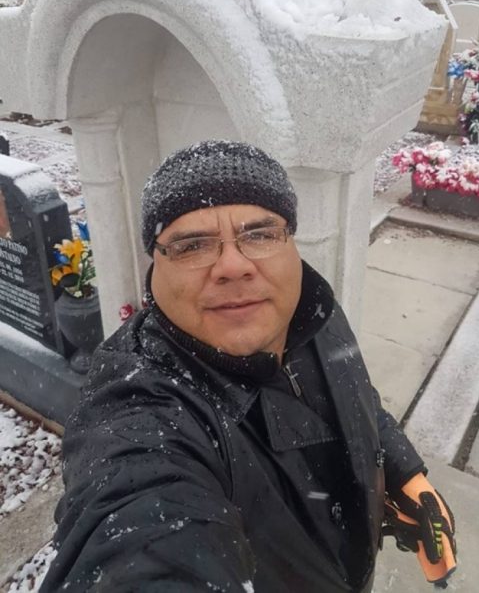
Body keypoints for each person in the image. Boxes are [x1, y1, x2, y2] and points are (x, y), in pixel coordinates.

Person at [42, 141, 456, 592]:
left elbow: (356, 396)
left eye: (259, 234)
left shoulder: (309, 311)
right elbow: (137, 527)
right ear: (154, 265)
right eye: (192, 245)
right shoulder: (139, 411)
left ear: (291, 242)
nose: (233, 266)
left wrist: (405, 474)